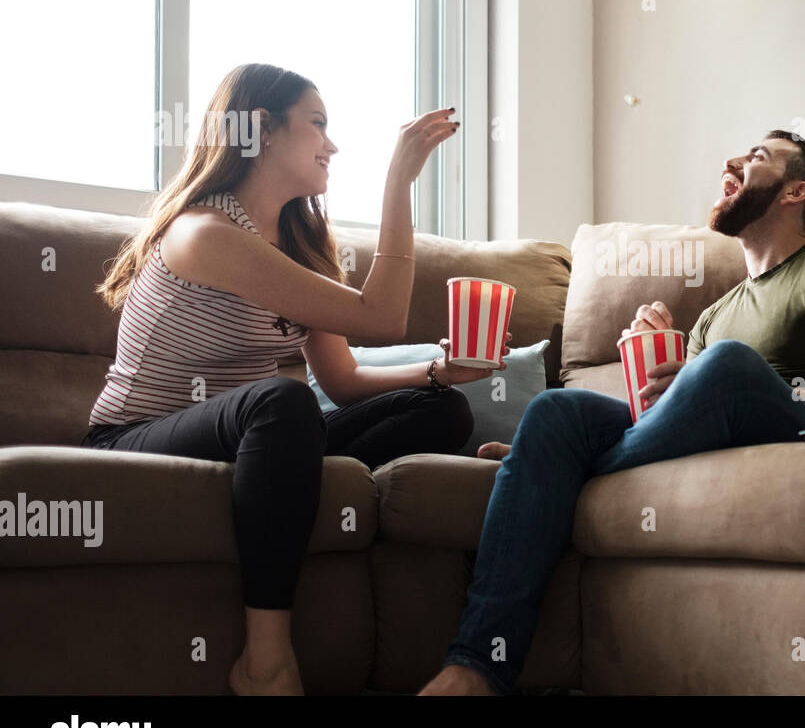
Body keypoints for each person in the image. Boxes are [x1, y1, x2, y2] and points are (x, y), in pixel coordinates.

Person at [81, 63, 506, 695]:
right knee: (281, 401)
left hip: (252, 442)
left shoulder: (297, 240)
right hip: (136, 437)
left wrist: (442, 370)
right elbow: (382, 317)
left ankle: (275, 485)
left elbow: (339, 378)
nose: (331, 145)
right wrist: (398, 180)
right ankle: (265, 662)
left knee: (442, 410)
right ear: (261, 130)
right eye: (317, 125)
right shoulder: (206, 234)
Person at [424, 130, 805, 695]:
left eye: (757, 157)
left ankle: (559, 470)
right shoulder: (713, 316)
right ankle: (475, 668)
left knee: (726, 365)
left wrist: (754, 385)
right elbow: (663, 420)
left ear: (797, 192)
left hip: (789, 431)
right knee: (558, 411)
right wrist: (668, 363)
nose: (733, 161)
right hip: (692, 434)